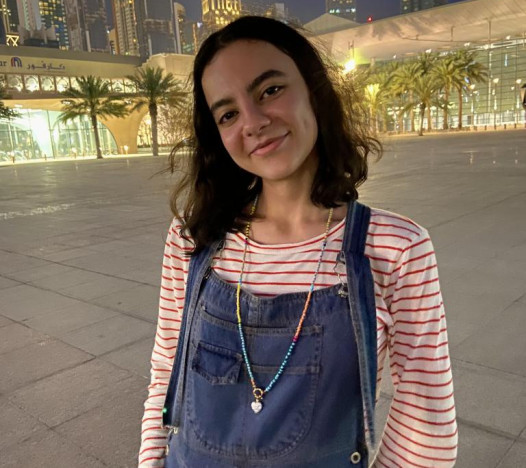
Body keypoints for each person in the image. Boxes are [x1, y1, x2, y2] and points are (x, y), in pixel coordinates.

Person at [139, 16, 457, 468]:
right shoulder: (193, 238)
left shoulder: (395, 248)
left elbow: (426, 427)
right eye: (228, 114)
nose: (253, 123)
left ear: (313, 89)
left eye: (270, 90)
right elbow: (166, 374)